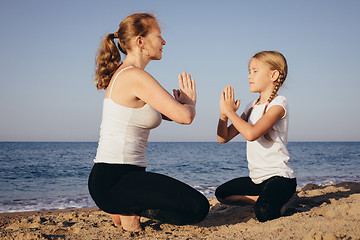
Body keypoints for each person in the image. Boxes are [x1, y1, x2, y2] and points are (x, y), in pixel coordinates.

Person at [88, 13, 209, 232]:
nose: (163, 42)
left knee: (191, 206)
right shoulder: (134, 76)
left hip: (122, 179)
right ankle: (125, 209)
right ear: (140, 41)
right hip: (114, 180)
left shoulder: (129, 75)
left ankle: (123, 207)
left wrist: (180, 105)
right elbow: (185, 117)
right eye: (159, 36)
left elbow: (169, 113)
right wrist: (190, 103)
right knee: (197, 208)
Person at [215, 51, 296, 222]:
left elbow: (251, 134)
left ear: (273, 75)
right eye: (249, 71)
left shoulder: (279, 104)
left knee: (264, 213)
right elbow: (223, 138)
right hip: (257, 180)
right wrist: (224, 116)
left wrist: (231, 112)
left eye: (254, 71)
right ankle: (265, 200)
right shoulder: (251, 106)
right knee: (221, 193)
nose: (249, 76)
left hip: (280, 179)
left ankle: (277, 204)